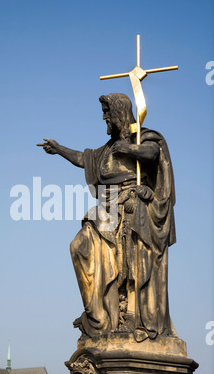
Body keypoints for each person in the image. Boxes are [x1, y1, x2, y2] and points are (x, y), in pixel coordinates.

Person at [37, 93, 176, 342]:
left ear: (119, 114)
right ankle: (98, 316)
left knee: (130, 263)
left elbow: (154, 153)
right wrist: (59, 150)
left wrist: (130, 149)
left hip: (135, 206)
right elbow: (84, 159)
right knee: (79, 246)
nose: (104, 118)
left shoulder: (144, 137)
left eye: (107, 113)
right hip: (108, 208)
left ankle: (132, 317)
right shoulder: (107, 150)